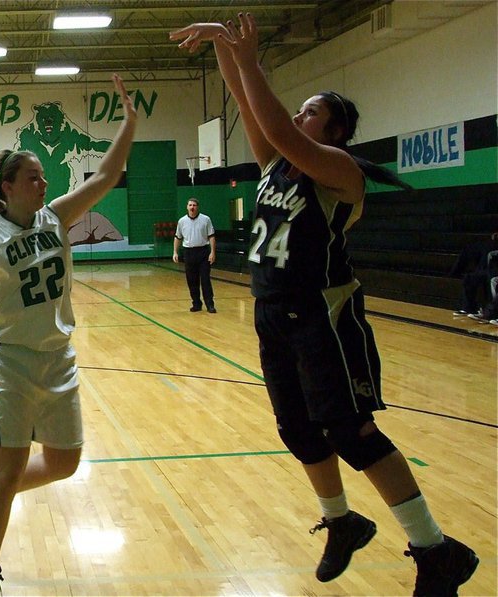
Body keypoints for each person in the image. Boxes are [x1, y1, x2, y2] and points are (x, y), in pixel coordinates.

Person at [171, 15, 478, 595]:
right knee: (296, 431)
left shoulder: (340, 172)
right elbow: (251, 108)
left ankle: (436, 549)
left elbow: (279, 127)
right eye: (302, 109)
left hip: (322, 316)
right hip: (271, 312)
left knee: (352, 433)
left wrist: (252, 59)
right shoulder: (275, 167)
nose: (298, 116)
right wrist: (223, 49)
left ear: (335, 132)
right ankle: (342, 522)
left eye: (312, 111)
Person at [0, 74, 136, 597]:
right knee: (12, 465)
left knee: (65, 461)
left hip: (59, 358)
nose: (43, 185)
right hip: (12, 364)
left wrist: (129, 125)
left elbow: (108, 174)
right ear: (7, 187)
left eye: (45, 177)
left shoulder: (55, 217)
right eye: (33, 178)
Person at [173, 197, 217, 312]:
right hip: (189, 252)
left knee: (205, 279)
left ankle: (210, 304)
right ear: (187, 207)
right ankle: (196, 303)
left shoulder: (206, 219)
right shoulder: (182, 221)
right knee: (192, 280)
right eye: (190, 205)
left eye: (194, 205)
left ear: (197, 207)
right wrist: (175, 252)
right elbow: (178, 237)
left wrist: (212, 252)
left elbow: (211, 236)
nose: (192, 207)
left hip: (203, 252)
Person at [450, 231, 498, 316]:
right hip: (491, 268)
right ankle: (469, 308)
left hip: (494, 271)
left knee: (493, 279)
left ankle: (492, 313)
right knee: (470, 278)